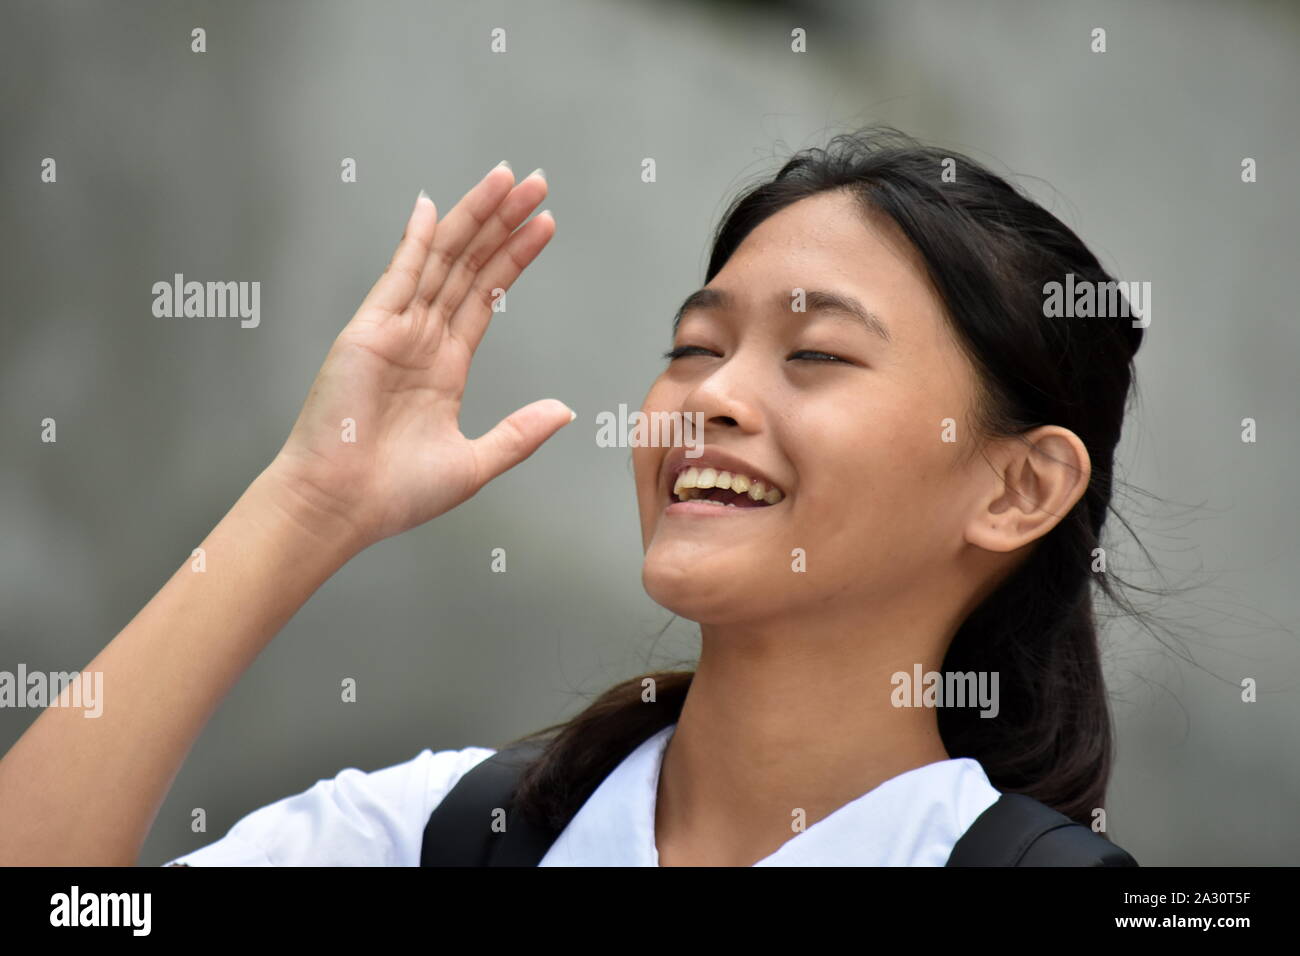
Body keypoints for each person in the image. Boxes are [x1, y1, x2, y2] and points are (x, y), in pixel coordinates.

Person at [0, 127, 1144, 866]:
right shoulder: (435, 835)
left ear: (1017, 487)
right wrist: (307, 503)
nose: (713, 395)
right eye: (694, 346)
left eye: (815, 355)